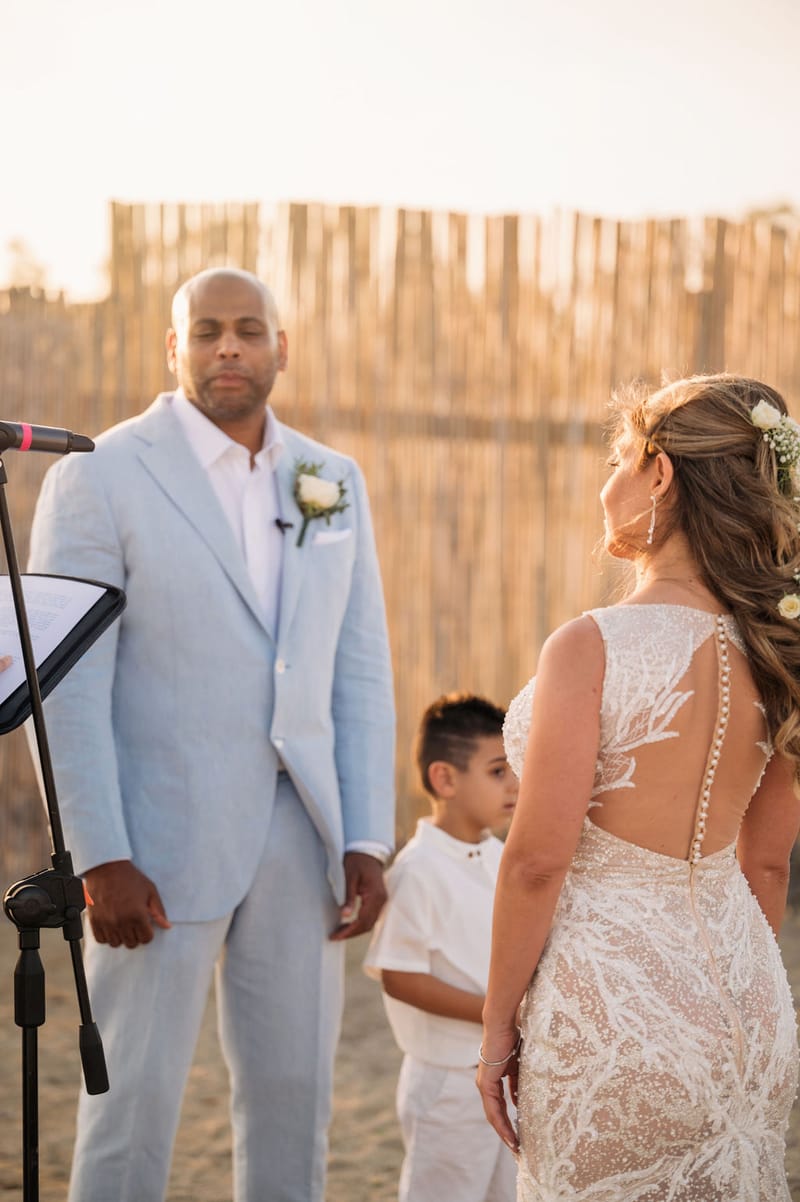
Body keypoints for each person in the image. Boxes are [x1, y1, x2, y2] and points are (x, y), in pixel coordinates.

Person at [26, 267, 396, 1202]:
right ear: (174, 348)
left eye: (247, 329)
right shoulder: (98, 474)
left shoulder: (330, 480)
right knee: (132, 1104)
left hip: (299, 833)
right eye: (205, 331)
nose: (227, 346)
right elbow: (64, 685)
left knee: (294, 1100)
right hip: (152, 844)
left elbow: (357, 669)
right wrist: (98, 854)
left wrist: (364, 836)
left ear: (281, 348)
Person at [477, 374, 800, 1200]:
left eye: (621, 458)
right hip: (750, 1006)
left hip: (612, 1013)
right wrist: (728, 988)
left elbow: (537, 861)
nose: (606, 483)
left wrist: (496, 1029)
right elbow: (766, 864)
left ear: (661, 474)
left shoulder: (590, 645)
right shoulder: (780, 648)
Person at [365, 693, 518, 1201]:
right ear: (445, 779)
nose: (515, 784)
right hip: (447, 1084)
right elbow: (399, 975)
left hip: (507, 1069)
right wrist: (497, 1015)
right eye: (498, 771)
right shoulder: (417, 870)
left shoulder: (501, 857)